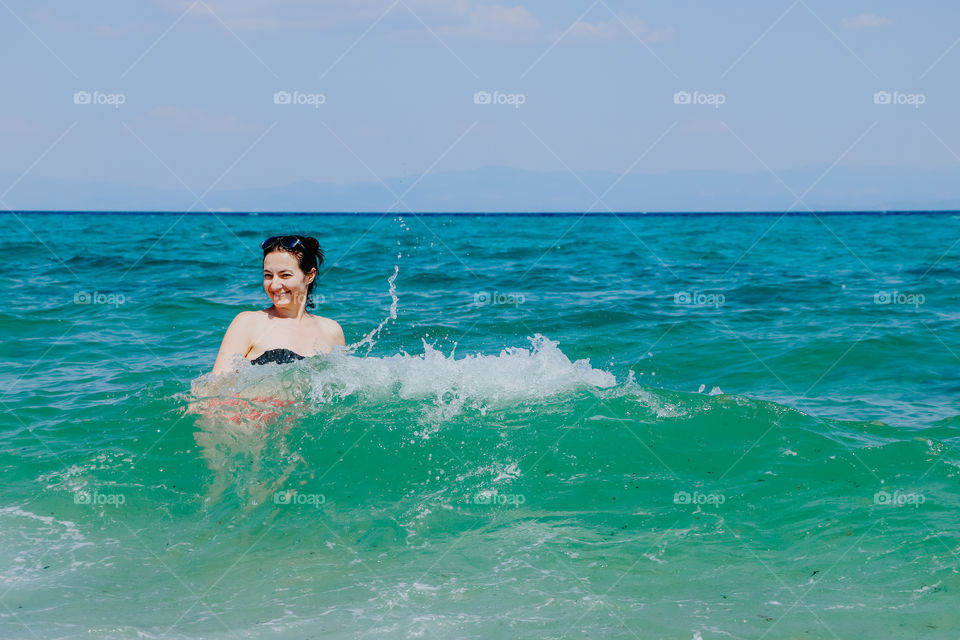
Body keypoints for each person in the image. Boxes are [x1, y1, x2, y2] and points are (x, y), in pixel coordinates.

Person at [211, 235, 345, 375]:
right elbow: (214, 387)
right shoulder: (247, 323)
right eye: (268, 275)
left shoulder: (331, 331)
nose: (274, 285)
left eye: (285, 275)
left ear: (309, 276)